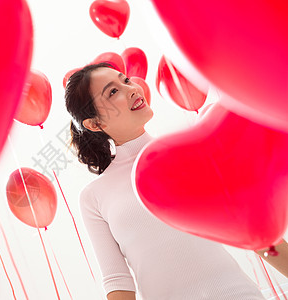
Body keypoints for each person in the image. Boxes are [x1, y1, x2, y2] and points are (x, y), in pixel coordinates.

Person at [65, 62, 276, 299]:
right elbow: (117, 281)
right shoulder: (94, 196)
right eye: (113, 92)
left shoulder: (188, 152)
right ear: (95, 124)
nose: (132, 89)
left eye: (125, 81)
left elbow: (252, 229)